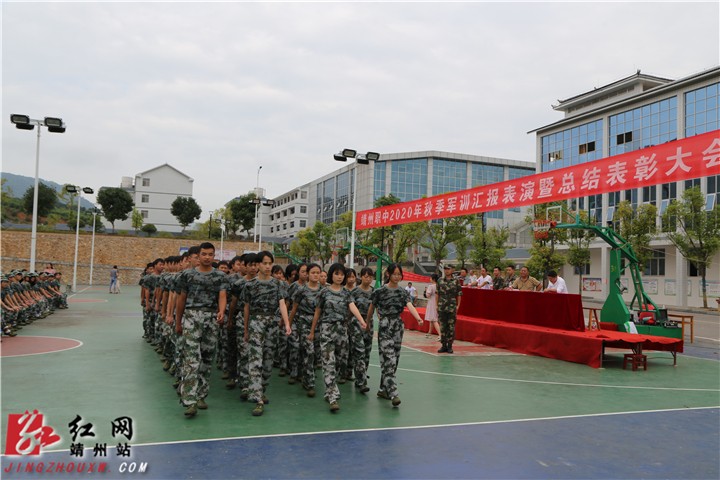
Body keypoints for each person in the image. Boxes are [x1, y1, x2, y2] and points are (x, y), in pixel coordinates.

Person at [174, 242, 229, 418]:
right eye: (204, 254)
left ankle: (201, 396)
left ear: (214, 256)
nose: (207, 257)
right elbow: (181, 299)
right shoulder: (187, 275)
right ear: (198, 256)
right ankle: (189, 400)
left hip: (211, 319)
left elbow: (222, 295)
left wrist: (221, 311)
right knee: (191, 359)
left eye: (210, 254)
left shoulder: (220, 276)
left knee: (206, 358)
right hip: (191, 316)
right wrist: (178, 321)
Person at [308, 263, 367, 413]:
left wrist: (361, 320)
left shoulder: (346, 293)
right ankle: (332, 396)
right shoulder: (324, 292)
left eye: (342, 274)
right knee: (328, 362)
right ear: (331, 275)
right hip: (327, 329)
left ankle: (331, 389)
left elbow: (352, 306)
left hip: (342, 330)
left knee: (340, 361)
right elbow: (317, 312)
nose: (340, 277)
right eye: (337, 274)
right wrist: (312, 331)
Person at [365, 263, 423, 407]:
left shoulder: (403, 292)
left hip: (398, 325)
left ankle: (383, 389)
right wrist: (367, 323)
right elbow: (372, 307)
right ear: (388, 275)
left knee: (394, 359)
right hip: (385, 325)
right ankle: (393, 393)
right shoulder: (379, 291)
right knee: (389, 359)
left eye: (399, 274)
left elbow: (409, 305)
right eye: (394, 274)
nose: (397, 277)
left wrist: (418, 318)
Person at [243, 251, 291, 417]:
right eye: (264, 263)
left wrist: (286, 323)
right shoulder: (250, 285)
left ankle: (261, 389)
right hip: (256, 322)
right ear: (257, 265)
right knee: (255, 361)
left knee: (269, 362)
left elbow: (282, 304)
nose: (268, 266)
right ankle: (257, 399)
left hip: (272, 324)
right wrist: (246, 329)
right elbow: (247, 308)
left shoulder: (278, 284)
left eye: (270, 263)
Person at [437, 264, 462, 354]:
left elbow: (459, 294)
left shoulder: (456, 281)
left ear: (452, 270)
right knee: (443, 327)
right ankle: (443, 345)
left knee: (451, 327)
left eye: (448, 269)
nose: (446, 271)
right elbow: (437, 293)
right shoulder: (440, 280)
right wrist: (437, 305)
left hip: (451, 306)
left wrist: (458, 305)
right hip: (442, 306)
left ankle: (450, 346)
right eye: (445, 269)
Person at [424, 274, 441, 339]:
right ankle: (429, 332)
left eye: (430, 278)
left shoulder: (431, 286)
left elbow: (427, 295)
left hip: (432, 302)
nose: (429, 279)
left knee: (434, 319)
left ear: (433, 279)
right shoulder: (438, 285)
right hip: (437, 301)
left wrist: (426, 290)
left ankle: (440, 334)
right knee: (432, 318)